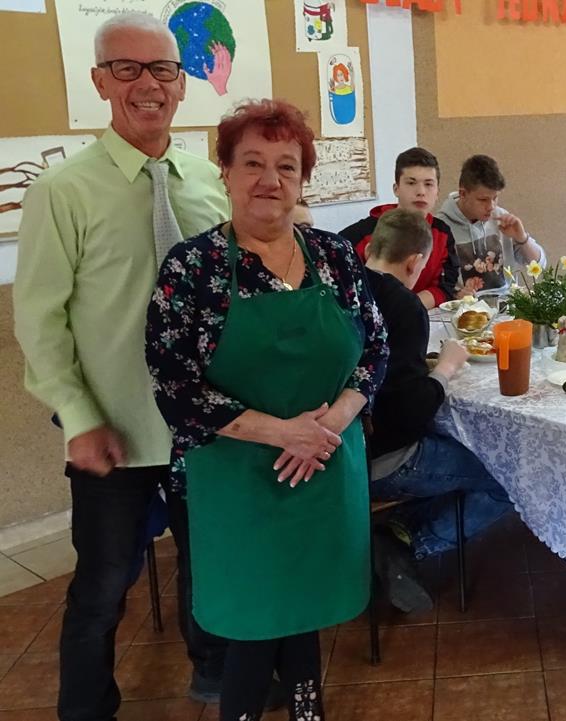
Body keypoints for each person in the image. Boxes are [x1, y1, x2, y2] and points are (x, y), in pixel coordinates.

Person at [13, 13, 235, 719]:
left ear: (182, 83)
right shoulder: (63, 191)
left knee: (210, 563)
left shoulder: (210, 181)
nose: (148, 84)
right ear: (100, 81)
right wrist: (79, 418)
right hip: (115, 429)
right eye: (127, 68)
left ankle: (214, 675)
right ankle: (86, 707)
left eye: (162, 69)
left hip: (204, 427)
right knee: (104, 583)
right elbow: (40, 322)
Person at [145, 99, 388, 720]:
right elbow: (174, 383)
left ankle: (308, 712)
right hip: (235, 483)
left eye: (286, 166)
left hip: (323, 467)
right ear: (224, 172)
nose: (269, 180)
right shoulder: (192, 268)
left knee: (303, 613)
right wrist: (284, 434)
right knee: (252, 625)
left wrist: (328, 426)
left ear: (302, 180)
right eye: (252, 162)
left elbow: (375, 350)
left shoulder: (334, 257)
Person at [363, 208, 513, 610]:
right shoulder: (402, 305)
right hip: (386, 459)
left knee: (465, 448)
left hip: (342, 455)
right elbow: (410, 414)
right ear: (415, 262)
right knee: (509, 477)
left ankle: (394, 530)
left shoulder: (347, 287)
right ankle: (408, 546)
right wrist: (445, 368)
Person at [340, 147, 459, 309]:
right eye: (411, 183)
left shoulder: (442, 233)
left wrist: (409, 309)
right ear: (396, 189)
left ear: (437, 192)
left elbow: (446, 286)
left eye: (428, 184)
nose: (421, 192)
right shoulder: (357, 236)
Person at [436, 154, 547, 296]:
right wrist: (455, 295)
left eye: (495, 198)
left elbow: (539, 266)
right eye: (483, 200)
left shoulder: (501, 217)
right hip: (466, 306)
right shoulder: (441, 226)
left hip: (506, 302)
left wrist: (521, 238)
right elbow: (436, 283)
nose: (491, 206)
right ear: (463, 194)